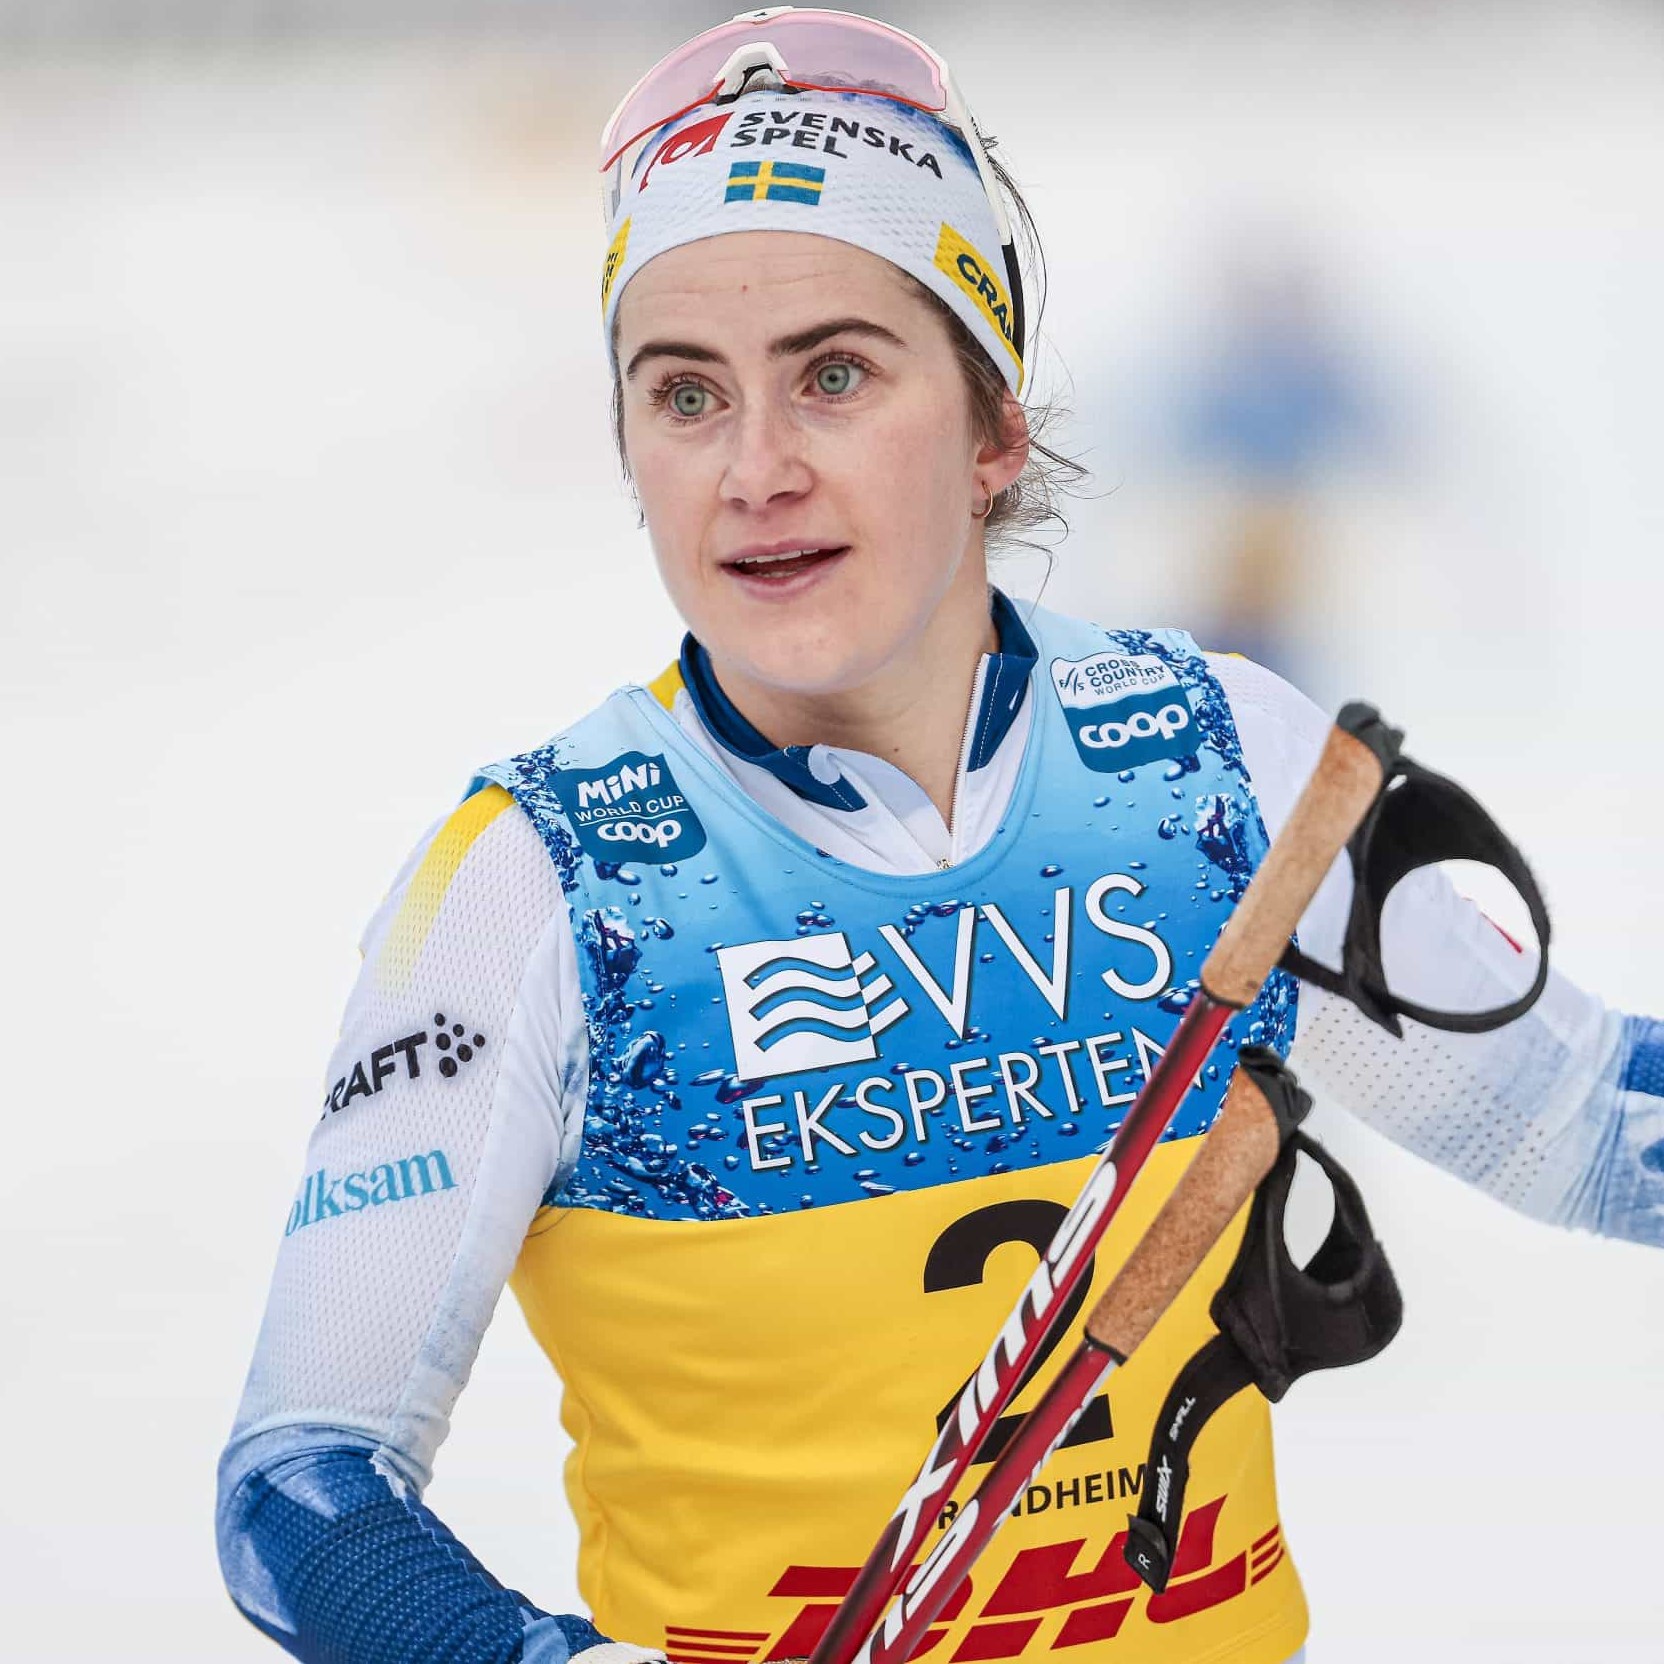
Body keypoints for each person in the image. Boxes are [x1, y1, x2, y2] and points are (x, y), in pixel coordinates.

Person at [214, 11, 1664, 1664]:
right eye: (684, 394)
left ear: (994, 432)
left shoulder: (1213, 770)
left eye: (834, 376)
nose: (756, 469)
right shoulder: (543, 882)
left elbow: (1594, 1129)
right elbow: (300, 1482)